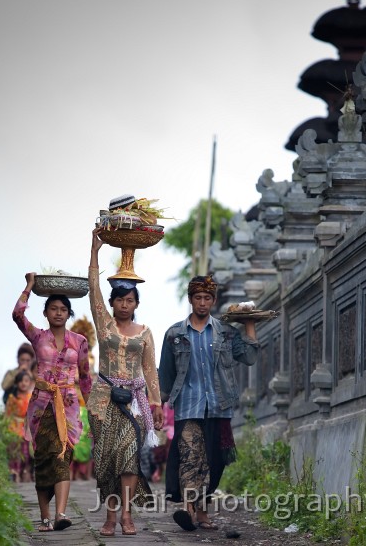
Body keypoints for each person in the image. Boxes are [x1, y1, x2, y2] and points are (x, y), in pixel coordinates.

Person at [158, 274, 259, 531]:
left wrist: (249, 324)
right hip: (188, 406)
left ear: (213, 301)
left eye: (207, 298)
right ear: (190, 300)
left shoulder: (226, 332)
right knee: (191, 458)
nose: (202, 303)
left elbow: (248, 357)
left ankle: (202, 513)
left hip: (218, 405)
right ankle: (188, 510)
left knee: (213, 461)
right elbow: (165, 374)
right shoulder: (175, 334)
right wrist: (159, 404)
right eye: (197, 298)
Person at [87, 227, 163, 537]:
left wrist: (156, 406)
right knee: (107, 463)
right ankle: (109, 516)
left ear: (136, 303)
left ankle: (126, 516)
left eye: (129, 300)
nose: (123, 305)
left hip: (133, 403)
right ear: (113, 302)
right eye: (119, 299)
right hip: (103, 401)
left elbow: (150, 371)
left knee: (129, 458)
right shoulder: (103, 322)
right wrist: (94, 252)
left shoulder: (145, 333)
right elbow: (92, 288)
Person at [12, 273, 91, 532]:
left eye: (63, 310)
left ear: (69, 314)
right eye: (54, 309)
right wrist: (29, 286)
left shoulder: (80, 342)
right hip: (41, 406)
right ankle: (45, 517)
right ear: (46, 312)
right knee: (44, 460)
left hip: (67, 407)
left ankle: (60, 514)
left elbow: (85, 376)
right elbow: (18, 316)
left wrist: (91, 406)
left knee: (62, 457)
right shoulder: (37, 337)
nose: (58, 313)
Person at [5, 370, 33, 483]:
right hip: (13, 427)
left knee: (26, 453)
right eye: (20, 381)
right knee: (14, 452)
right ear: (16, 383)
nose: (23, 383)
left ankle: (24, 472)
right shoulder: (12, 398)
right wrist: (6, 427)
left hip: (26, 427)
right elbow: (8, 413)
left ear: (30, 383)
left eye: (26, 381)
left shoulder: (31, 397)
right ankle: (14, 472)